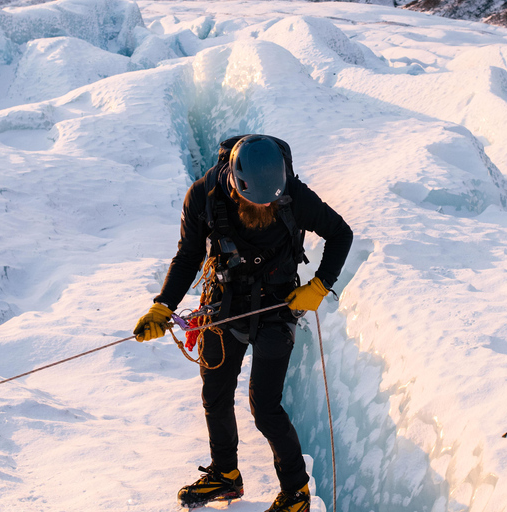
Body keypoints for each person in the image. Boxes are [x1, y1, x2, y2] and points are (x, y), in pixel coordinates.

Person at [134, 134, 352, 512]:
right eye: (258, 202)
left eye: (272, 202)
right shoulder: (203, 196)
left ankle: (296, 491)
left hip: (277, 305)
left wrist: (319, 287)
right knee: (215, 395)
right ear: (235, 184)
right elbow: (188, 257)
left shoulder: (294, 195)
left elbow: (339, 234)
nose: (266, 207)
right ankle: (225, 475)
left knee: (265, 406)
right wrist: (162, 306)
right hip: (224, 302)